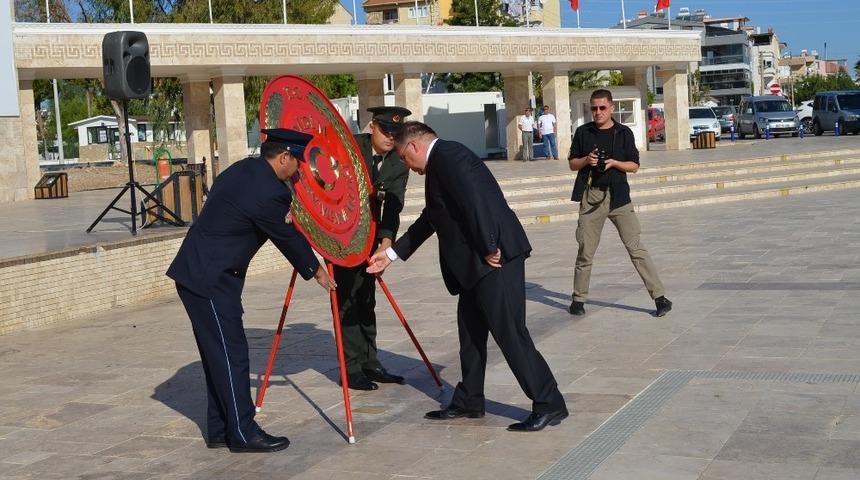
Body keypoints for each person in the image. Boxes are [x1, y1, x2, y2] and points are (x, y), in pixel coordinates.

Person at [367, 121, 568, 433]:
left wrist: (490, 246)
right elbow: (432, 217)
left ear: (414, 147)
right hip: (476, 265)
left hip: (494, 260)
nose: (408, 167)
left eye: (405, 159)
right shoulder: (440, 163)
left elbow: (478, 200)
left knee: (510, 334)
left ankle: (549, 402)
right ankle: (470, 401)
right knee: (471, 335)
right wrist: (392, 254)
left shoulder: (449, 156)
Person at [167, 128, 337, 453]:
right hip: (211, 278)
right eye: (298, 162)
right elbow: (286, 236)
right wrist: (315, 270)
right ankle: (244, 433)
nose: (300, 169)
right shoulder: (268, 190)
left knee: (218, 356)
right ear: (284, 157)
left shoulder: (242, 169)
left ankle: (221, 429)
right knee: (233, 355)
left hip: (199, 272)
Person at [567, 89, 672, 318]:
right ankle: (578, 299)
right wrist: (587, 160)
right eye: (593, 108)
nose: (597, 112)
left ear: (611, 108)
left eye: (602, 108)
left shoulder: (623, 133)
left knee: (636, 248)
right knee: (585, 250)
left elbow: (634, 165)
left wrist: (614, 162)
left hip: (619, 199)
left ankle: (660, 297)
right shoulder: (584, 132)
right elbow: (572, 164)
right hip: (592, 198)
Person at [335, 106, 412, 391]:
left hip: (370, 236)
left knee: (367, 299)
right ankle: (351, 367)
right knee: (348, 300)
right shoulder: (350, 147)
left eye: (396, 132)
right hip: (342, 236)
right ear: (372, 127)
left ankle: (370, 361)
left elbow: (393, 203)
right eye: (386, 131)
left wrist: (387, 242)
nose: (391, 137)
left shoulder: (399, 161)